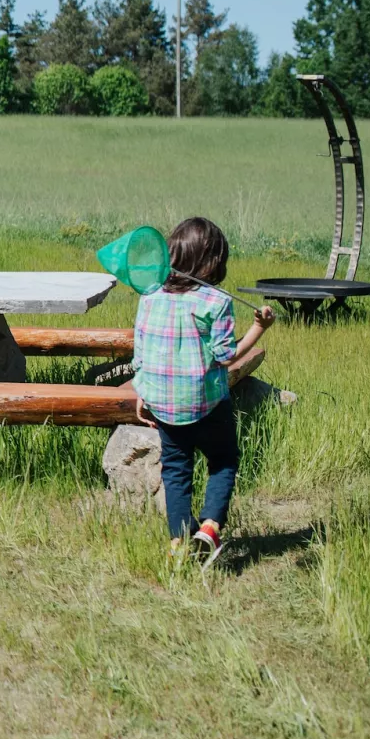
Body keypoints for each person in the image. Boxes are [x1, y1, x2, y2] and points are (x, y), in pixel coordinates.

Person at [131, 216, 274, 567]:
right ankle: (210, 528)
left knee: (175, 470)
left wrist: (141, 392)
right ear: (214, 261)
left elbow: (142, 351)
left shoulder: (150, 296)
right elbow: (226, 357)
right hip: (207, 404)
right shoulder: (216, 301)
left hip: (164, 404)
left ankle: (179, 542)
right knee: (223, 461)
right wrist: (259, 328)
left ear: (174, 254)